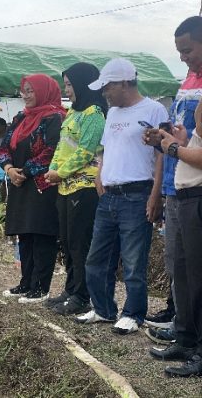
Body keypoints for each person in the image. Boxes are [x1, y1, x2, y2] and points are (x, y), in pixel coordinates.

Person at [75, 58, 167, 335]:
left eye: (108, 87)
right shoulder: (112, 113)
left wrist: (156, 195)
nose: (104, 93)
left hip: (137, 193)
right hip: (109, 195)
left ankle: (133, 313)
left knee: (133, 260)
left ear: (124, 83)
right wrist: (99, 177)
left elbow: (162, 155)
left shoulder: (153, 109)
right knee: (97, 258)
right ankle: (103, 308)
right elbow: (105, 150)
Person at [144, 15, 202, 377]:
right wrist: (176, 141)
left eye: (188, 50)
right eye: (179, 51)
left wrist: (172, 147)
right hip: (182, 187)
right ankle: (185, 337)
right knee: (182, 269)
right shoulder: (189, 84)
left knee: (197, 273)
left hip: (196, 189)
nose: (183, 57)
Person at [42, 63, 108, 314]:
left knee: (81, 243)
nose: (66, 90)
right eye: (65, 85)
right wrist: (54, 169)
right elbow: (62, 146)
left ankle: (82, 295)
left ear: (84, 83)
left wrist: (61, 171)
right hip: (65, 186)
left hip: (85, 185)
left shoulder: (94, 114)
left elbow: (86, 150)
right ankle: (71, 289)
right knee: (68, 242)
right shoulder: (72, 113)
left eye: (69, 84)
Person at [0, 74, 65, 303]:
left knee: (41, 234)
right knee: (24, 233)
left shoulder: (55, 118)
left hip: (42, 184)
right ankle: (26, 282)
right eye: (24, 91)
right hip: (19, 182)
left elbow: (51, 151)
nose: (25, 96)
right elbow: (5, 146)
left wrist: (25, 171)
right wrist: (9, 169)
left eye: (30, 91)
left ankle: (41, 287)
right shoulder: (20, 118)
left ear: (43, 91)